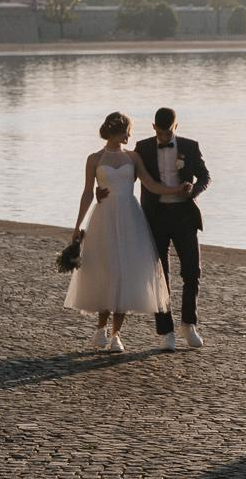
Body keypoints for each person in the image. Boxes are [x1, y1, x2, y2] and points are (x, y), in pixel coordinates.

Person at [63, 112, 171, 353]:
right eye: (127, 131)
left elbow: (150, 184)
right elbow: (87, 193)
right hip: (104, 219)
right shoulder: (94, 158)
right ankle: (100, 329)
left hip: (130, 218)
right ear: (116, 131)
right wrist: (78, 225)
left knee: (126, 272)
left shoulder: (133, 157)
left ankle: (116, 335)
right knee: (105, 269)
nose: (130, 135)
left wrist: (175, 191)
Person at [134, 106, 211, 351]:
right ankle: (166, 331)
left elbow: (205, 177)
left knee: (192, 271)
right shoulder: (143, 148)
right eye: (160, 132)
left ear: (175, 127)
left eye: (168, 132)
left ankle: (189, 324)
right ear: (153, 127)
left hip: (184, 215)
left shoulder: (190, 146)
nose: (164, 137)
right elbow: (129, 176)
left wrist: (193, 189)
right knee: (159, 275)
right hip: (155, 217)